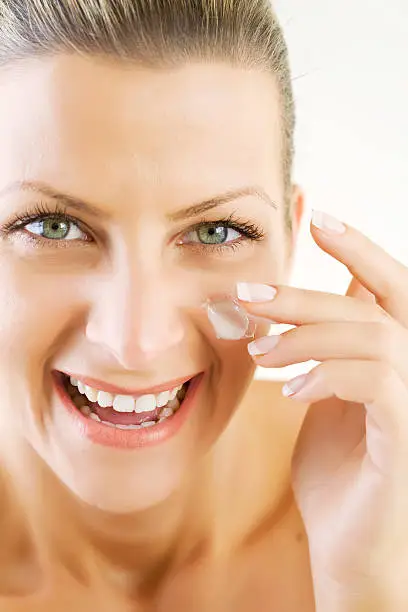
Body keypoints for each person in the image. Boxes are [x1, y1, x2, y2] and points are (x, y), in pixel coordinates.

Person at [1, 1, 408, 610]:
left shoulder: (385, 493)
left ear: (291, 242)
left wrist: (367, 585)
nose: (135, 342)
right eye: (53, 227)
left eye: (216, 231)